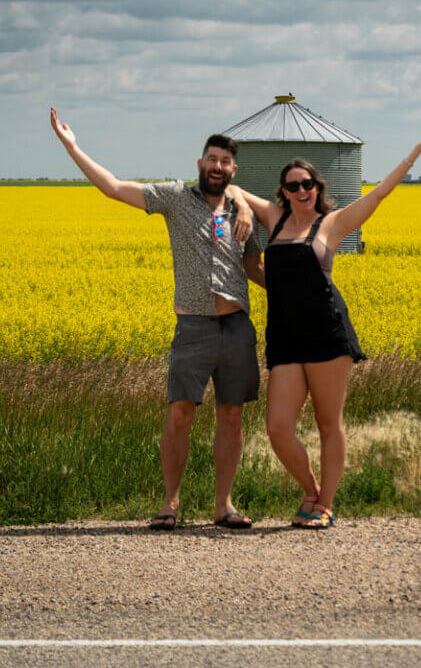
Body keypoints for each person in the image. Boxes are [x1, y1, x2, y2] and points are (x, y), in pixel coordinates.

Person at [50, 108, 264, 531]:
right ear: (199, 163)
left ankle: (224, 506)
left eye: (225, 162)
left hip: (236, 325)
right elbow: (113, 188)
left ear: (232, 169)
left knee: (232, 415)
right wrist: (72, 147)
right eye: (212, 160)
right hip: (194, 327)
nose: (217, 167)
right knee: (179, 413)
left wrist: (300, 292)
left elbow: (254, 267)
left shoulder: (242, 210)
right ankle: (169, 504)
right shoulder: (174, 198)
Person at [228, 126, 421, 529]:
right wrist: (242, 208)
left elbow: (378, 194)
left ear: (317, 185)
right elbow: (234, 189)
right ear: (284, 192)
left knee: (330, 424)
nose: (302, 190)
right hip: (286, 337)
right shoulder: (273, 219)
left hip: (327, 334)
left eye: (308, 183)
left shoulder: (332, 223)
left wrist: (413, 154)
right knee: (277, 427)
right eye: (293, 186)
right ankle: (309, 490)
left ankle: (324, 504)